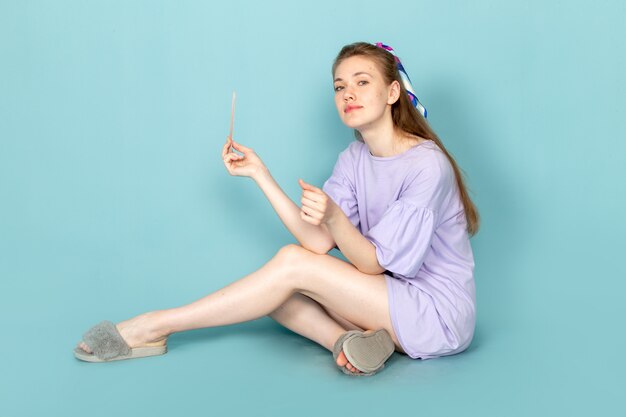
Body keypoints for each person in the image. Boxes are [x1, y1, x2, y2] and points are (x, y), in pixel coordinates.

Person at [74, 41, 480, 376]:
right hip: (388, 302)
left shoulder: (427, 165)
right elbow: (318, 242)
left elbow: (372, 264)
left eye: (361, 82)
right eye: (339, 87)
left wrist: (335, 216)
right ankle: (348, 342)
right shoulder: (355, 159)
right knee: (277, 293)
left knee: (287, 268)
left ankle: (154, 326)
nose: (348, 94)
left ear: (393, 93)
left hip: (436, 316)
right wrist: (260, 174)